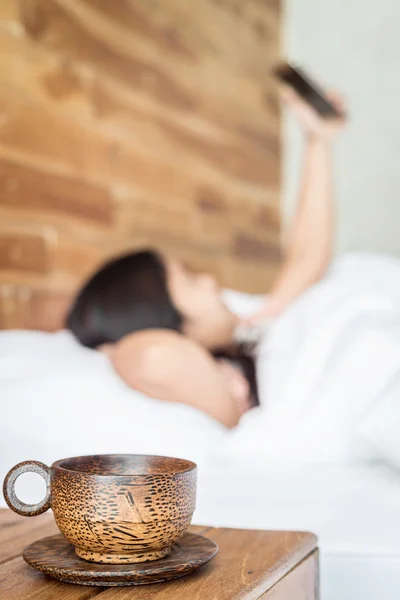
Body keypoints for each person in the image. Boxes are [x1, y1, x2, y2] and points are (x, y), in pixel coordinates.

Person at [67, 87, 347, 429]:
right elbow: (153, 358)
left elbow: (308, 259)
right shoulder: (219, 385)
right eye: (189, 279)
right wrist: (115, 347)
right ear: (164, 322)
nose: (210, 281)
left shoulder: (250, 331)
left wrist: (318, 140)